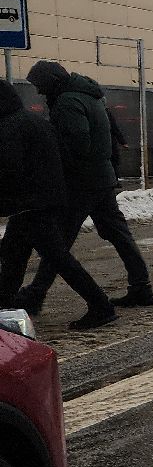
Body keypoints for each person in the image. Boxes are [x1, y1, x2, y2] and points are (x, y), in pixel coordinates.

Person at [20, 61, 151, 315]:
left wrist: (53, 165)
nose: (39, 92)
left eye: (40, 85)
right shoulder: (88, 95)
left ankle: (36, 294)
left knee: (57, 243)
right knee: (118, 235)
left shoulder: (68, 102)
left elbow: (75, 144)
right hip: (101, 179)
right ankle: (141, 286)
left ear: (52, 81)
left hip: (81, 183)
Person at [0, 81, 117, 329]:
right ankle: (5, 309)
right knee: (14, 256)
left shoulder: (9, 127)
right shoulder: (33, 122)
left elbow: (8, 171)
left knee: (57, 258)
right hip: (42, 201)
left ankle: (101, 305)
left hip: (30, 204)